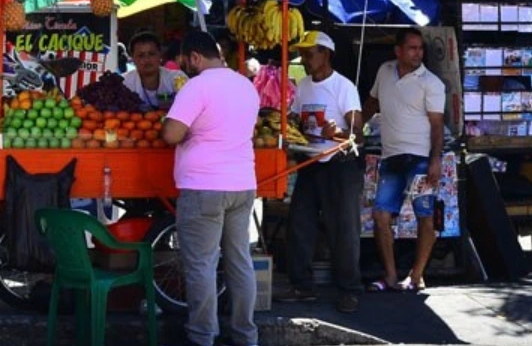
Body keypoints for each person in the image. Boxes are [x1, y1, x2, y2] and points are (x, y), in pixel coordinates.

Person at [162, 30, 259, 346]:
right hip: (242, 184)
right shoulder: (245, 85)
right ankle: (246, 335)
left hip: (204, 186)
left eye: (185, 60)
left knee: (202, 265)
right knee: (239, 261)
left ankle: (203, 336)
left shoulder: (197, 86)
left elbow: (171, 134)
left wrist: (176, 127)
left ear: (194, 57)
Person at [279, 31, 365, 313]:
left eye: (309, 53)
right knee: (300, 224)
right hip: (311, 162)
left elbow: (358, 133)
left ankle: (350, 289)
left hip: (339, 164)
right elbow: (294, 119)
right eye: (302, 54)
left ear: (326, 54)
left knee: (343, 229)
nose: (304, 59)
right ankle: (302, 286)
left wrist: (338, 132)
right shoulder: (302, 86)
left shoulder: (343, 87)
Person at [366, 28, 447, 293]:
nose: (417, 53)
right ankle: (390, 275)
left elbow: (437, 125)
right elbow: (372, 102)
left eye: (420, 48)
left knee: (425, 215)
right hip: (391, 156)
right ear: (398, 50)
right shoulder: (385, 71)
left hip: (421, 157)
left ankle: (416, 275)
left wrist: (435, 160)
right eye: (411, 48)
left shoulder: (432, 83)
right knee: (380, 214)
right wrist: (354, 126)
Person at [122, 32, 188, 110]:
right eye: (141, 56)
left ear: (160, 55)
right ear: (133, 58)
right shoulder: (124, 82)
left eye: (151, 54)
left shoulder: (177, 78)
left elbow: (190, 103)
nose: (147, 60)